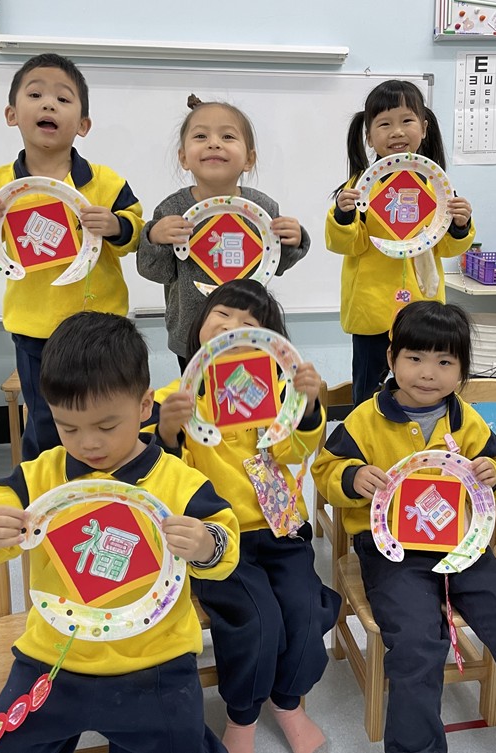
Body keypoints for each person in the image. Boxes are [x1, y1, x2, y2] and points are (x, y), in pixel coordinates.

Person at [0, 311, 239, 753]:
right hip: (51, 657)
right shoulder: (39, 477)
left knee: (179, 742)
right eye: (68, 427)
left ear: (144, 406)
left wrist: (204, 544)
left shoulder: (177, 481)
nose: (88, 443)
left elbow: (224, 544)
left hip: (155, 661)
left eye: (106, 426)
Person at [312, 300, 496, 753]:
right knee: (417, 645)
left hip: (465, 546)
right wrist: (351, 476)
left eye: (444, 362)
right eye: (415, 358)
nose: (428, 373)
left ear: (462, 371)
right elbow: (326, 471)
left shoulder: (468, 420)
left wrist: (491, 474)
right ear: (391, 359)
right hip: (391, 551)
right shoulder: (364, 419)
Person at [148, 279, 340, 753]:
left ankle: (288, 701)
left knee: (305, 610)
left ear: (268, 342)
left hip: (281, 529)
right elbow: (163, 480)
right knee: (256, 619)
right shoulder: (177, 396)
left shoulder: (275, 389)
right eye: (222, 314)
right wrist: (167, 433)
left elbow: (294, 453)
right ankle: (244, 713)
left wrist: (307, 406)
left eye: (249, 323)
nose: (232, 326)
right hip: (218, 539)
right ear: (199, 323)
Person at [0, 53, 145, 461]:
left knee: (110, 414)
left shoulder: (106, 182)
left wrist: (116, 225)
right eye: (35, 95)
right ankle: (48, 487)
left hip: (100, 328)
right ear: (12, 114)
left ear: (83, 124)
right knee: (46, 418)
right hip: (35, 330)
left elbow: (136, 234)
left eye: (63, 99)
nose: (49, 104)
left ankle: (112, 484)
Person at [326, 80, 474, 407]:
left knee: (425, 390)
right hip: (372, 312)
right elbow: (345, 244)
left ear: (424, 127)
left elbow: (447, 248)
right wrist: (343, 215)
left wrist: (460, 225)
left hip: (422, 311)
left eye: (407, 121)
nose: (396, 132)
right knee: (369, 397)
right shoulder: (359, 188)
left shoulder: (437, 186)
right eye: (384, 124)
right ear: (368, 136)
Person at [138, 95, 310, 370]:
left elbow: (276, 265)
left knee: (248, 392)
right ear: (183, 157)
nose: (214, 143)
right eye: (201, 136)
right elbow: (155, 271)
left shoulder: (262, 208)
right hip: (192, 336)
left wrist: (294, 240)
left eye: (227, 136)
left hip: (250, 332)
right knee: (198, 395)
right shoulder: (173, 209)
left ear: (249, 159)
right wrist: (153, 238)